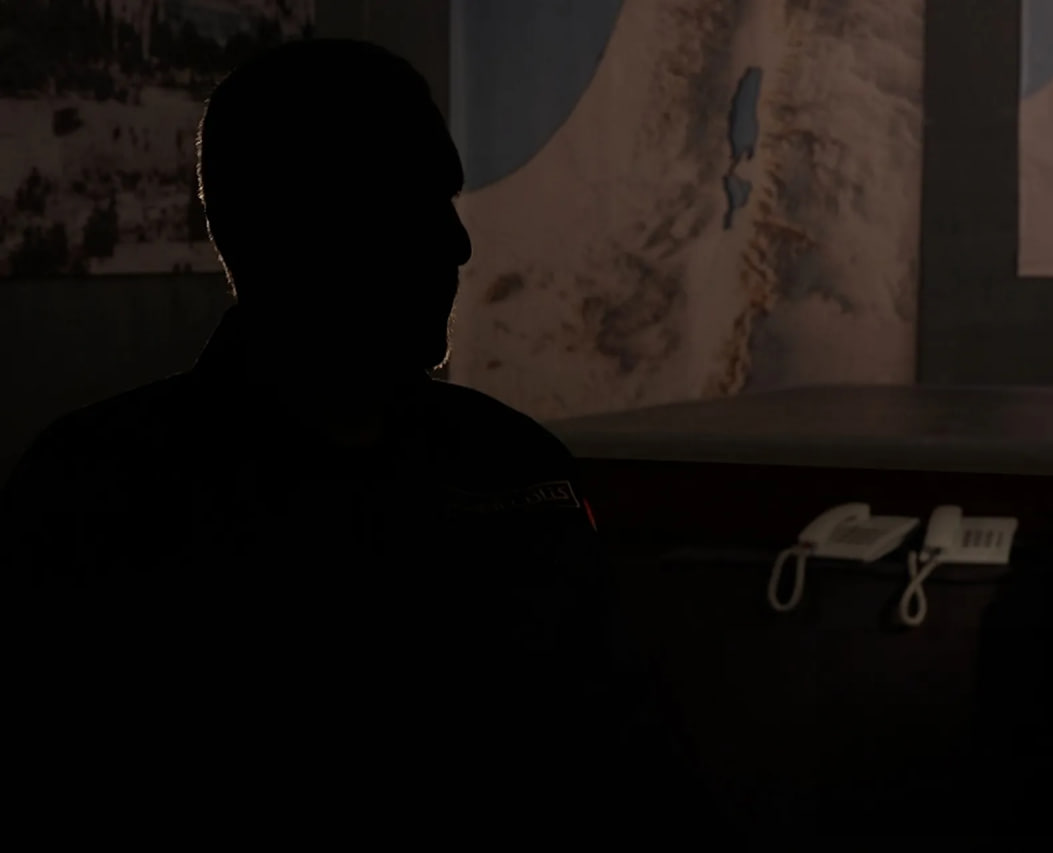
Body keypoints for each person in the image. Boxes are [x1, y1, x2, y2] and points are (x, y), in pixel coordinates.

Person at [3, 39, 706, 831]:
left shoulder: (517, 467)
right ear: (303, 232)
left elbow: (639, 770)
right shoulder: (98, 502)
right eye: (419, 205)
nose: (459, 244)